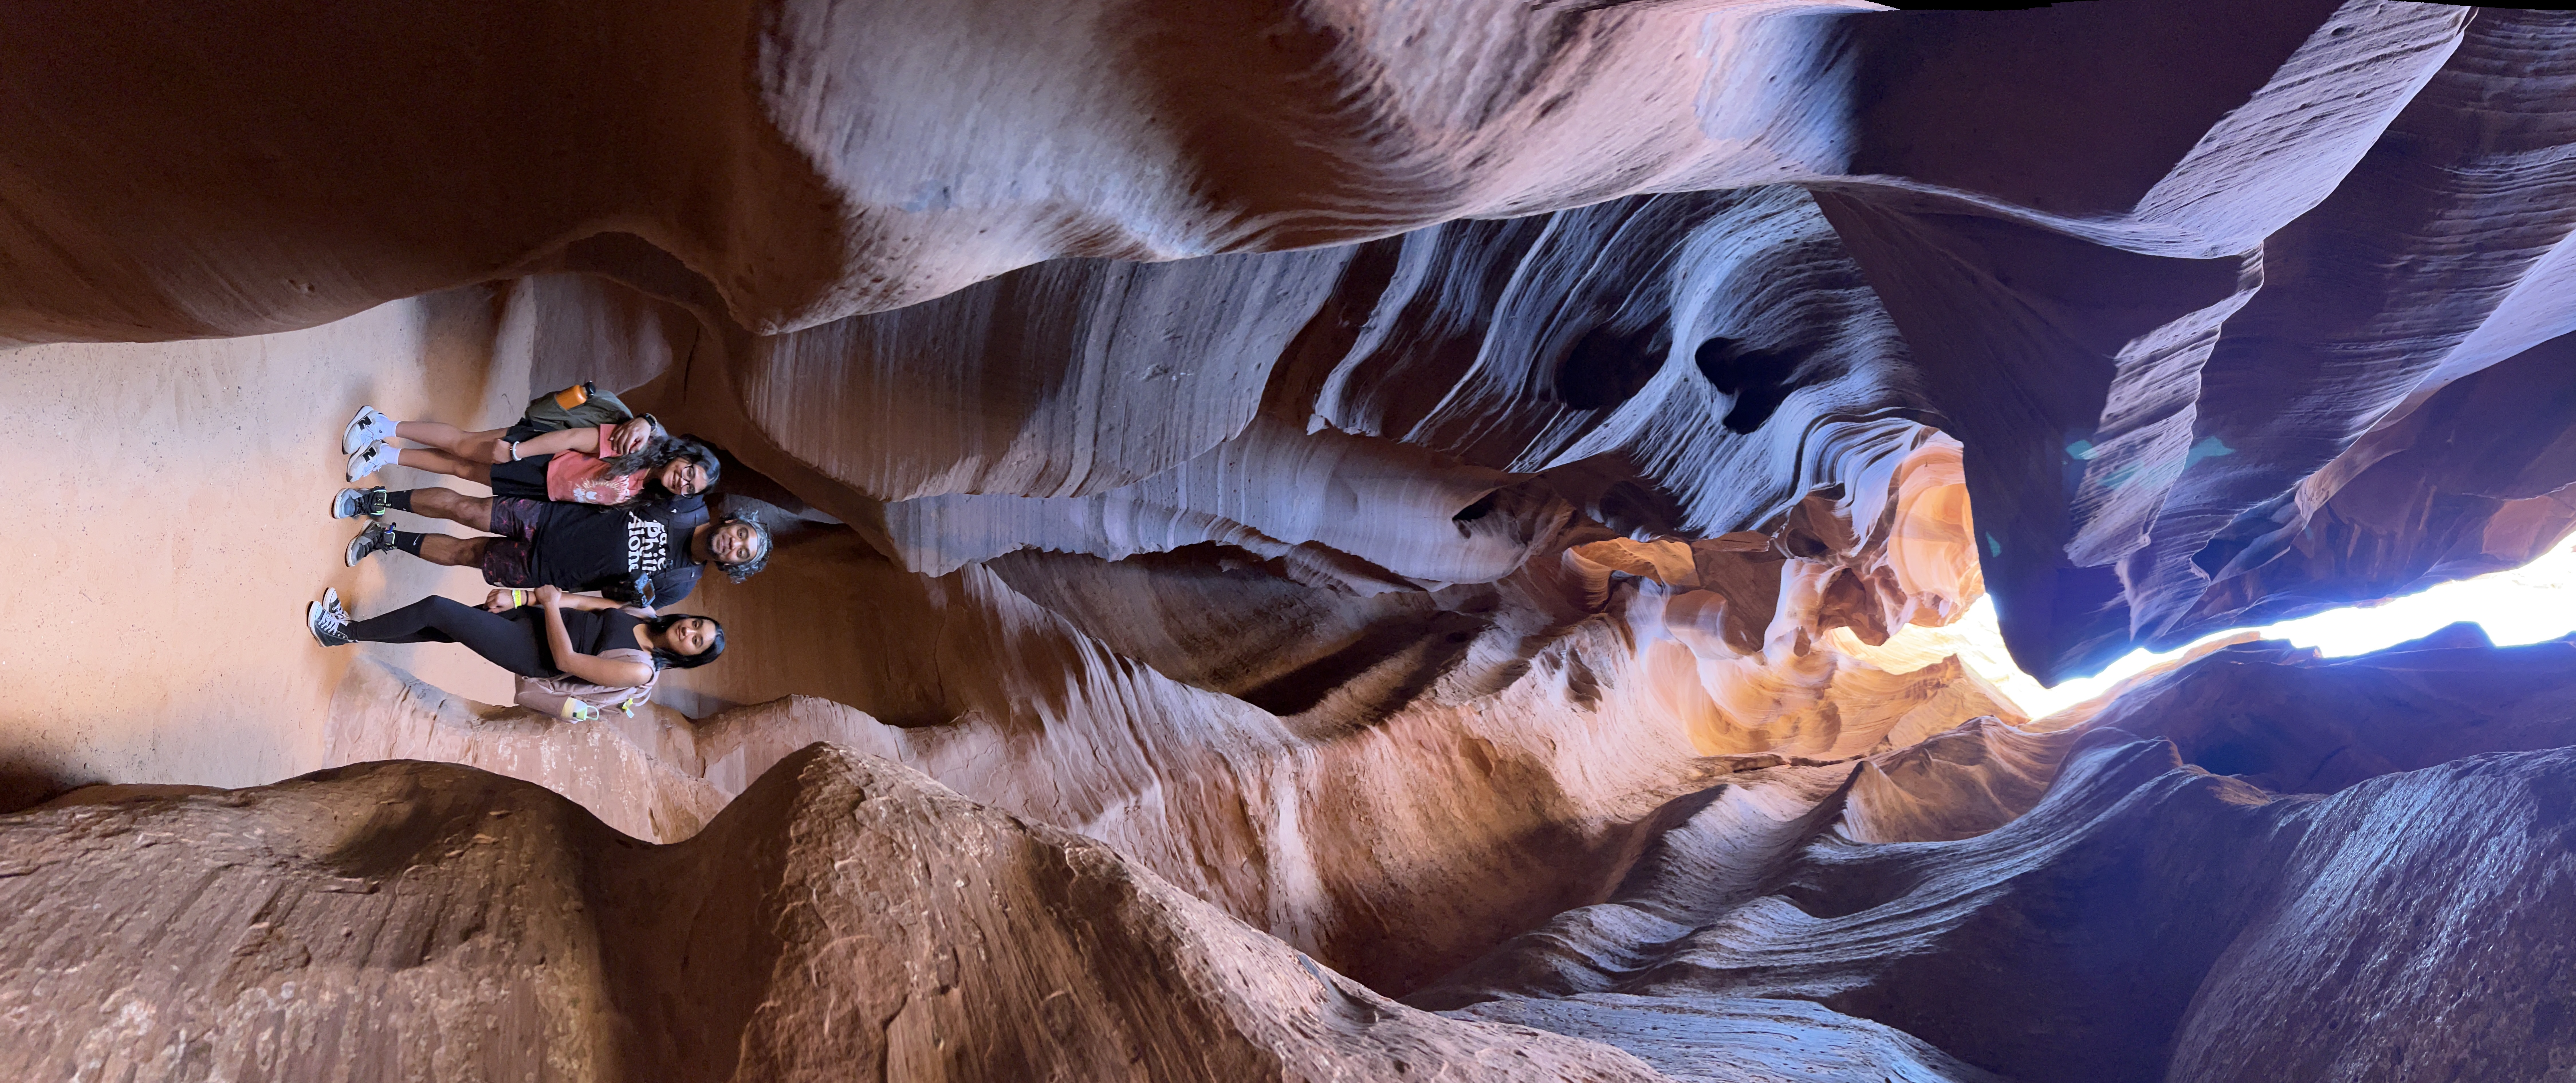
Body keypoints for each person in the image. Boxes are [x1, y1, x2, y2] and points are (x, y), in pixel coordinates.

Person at [304, 584, 724, 718]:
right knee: (443, 626)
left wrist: (551, 606)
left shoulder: (640, 670)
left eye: (697, 641)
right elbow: (584, 603)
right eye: (697, 624)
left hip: (533, 652)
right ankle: (349, 630)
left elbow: (568, 663)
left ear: (690, 657)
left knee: (436, 609)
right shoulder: (645, 612)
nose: (690, 631)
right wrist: (525, 599)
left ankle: (343, 632)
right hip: (535, 619)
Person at [345, 490, 771, 606]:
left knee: (467, 553)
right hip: (550, 518)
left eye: (741, 553)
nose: (733, 545)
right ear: (733, 521)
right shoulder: (686, 503)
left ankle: (388, 538)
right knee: (467, 508)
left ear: (733, 567)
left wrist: (536, 598)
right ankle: (379, 500)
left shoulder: (681, 584)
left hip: (546, 569)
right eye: (741, 536)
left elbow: (614, 605)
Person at [337, 408, 718, 510]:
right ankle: (382, 423)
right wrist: (518, 450)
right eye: (690, 472)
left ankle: (386, 453)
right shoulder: (638, 446)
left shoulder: (646, 494)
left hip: (541, 488)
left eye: (690, 488)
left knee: (461, 468)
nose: (683, 482)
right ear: (685, 458)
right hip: (539, 457)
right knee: (464, 445)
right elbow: (574, 438)